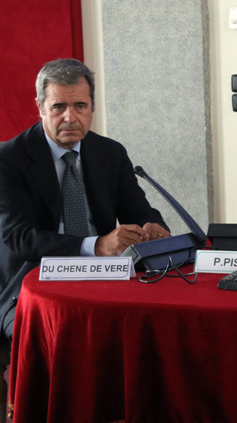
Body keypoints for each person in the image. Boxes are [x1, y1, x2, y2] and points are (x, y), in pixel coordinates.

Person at [0, 58, 169, 340]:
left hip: (105, 276)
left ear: (92, 107)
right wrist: (96, 246)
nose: (70, 117)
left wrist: (152, 228)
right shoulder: (10, 159)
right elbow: (20, 238)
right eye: (58, 107)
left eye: (80, 106)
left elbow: (138, 211)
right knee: (61, 335)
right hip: (33, 278)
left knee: (152, 324)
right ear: (40, 107)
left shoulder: (110, 153)